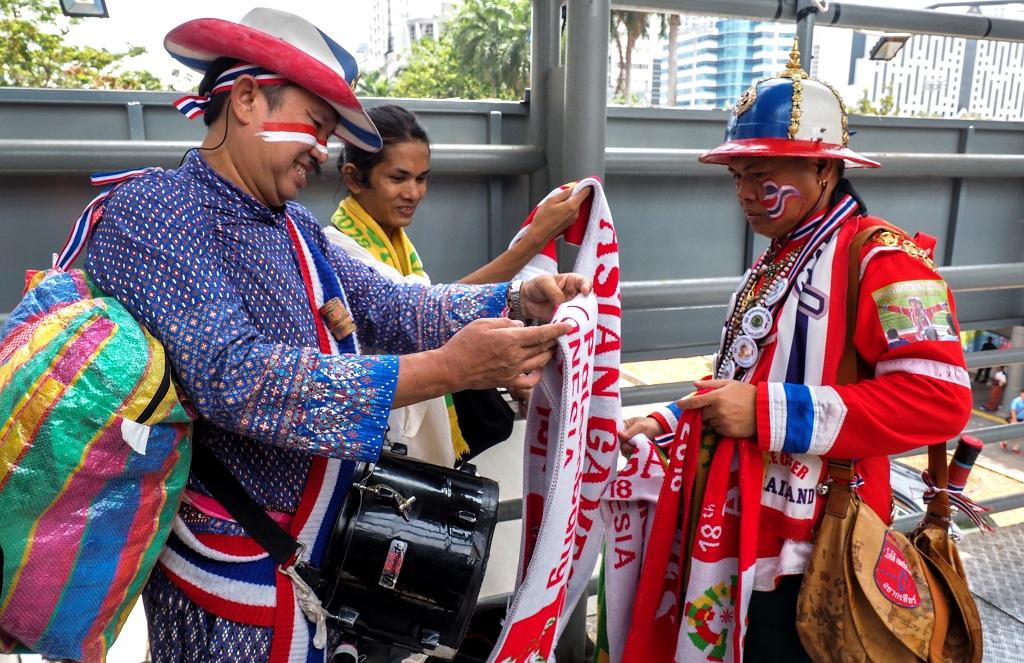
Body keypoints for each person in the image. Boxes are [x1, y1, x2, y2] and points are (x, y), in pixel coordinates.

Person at [83, 10, 588, 662]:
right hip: (228, 573)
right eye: (314, 126)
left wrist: (515, 300)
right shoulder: (157, 210)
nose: (320, 150)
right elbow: (233, 378)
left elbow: (392, 306)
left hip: (311, 563)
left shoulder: (293, 224)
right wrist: (445, 370)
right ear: (244, 99)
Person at [618, 47, 972, 661]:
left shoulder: (884, 261)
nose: (746, 195)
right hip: (747, 525)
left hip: (821, 541)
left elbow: (939, 400)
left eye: (764, 177)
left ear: (825, 170)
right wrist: (670, 419)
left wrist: (764, 412)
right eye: (738, 177)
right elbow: (743, 379)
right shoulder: (777, 257)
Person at [326, 104, 591, 466]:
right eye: (398, 178)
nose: (413, 192)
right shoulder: (339, 248)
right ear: (355, 179)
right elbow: (417, 313)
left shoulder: (396, 245)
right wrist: (534, 242)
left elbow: (430, 309)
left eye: (421, 178)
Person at [1000, 387, 1024, 454]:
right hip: (1015, 419)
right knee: (1010, 432)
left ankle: (1015, 448)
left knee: (1020, 434)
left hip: (1022, 420)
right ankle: (1004, 441)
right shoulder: (1016, 400)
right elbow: (1013, 411)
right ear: (1021, 393)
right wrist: (1015, 421)